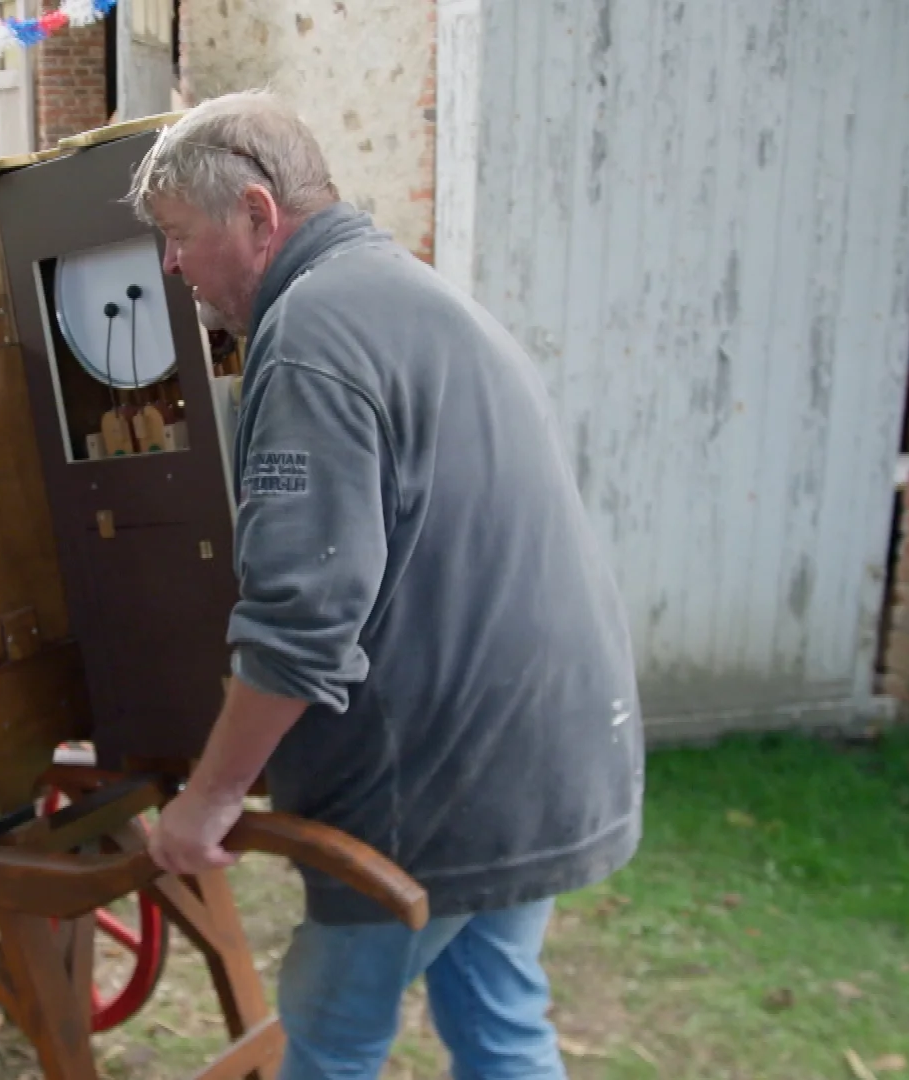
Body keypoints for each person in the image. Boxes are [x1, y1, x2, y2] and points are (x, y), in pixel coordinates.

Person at [131, 92, 643, 1080]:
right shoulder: (407, 290)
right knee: (497, 1017)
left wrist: (207, 799)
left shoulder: (314, 333)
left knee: (329, 1037)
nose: (171, 266)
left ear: (255, 213)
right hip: (535, 747)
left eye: (176, 236)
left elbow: (299, 625)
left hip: (446, 776)